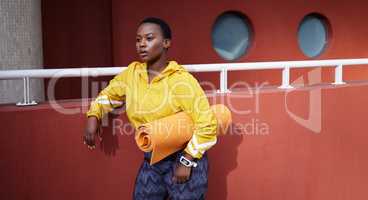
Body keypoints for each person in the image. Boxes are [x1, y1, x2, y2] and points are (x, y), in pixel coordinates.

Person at [84, 17, 218, 200]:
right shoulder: (132, 74)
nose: (141, 45)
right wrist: (94, 116)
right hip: (152, 159)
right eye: (138, 40)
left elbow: (207, 124)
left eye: (149, 38)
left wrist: (187, 161)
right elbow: (108, 95)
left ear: (166, 43)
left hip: (185, 155)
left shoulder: (181, 80)